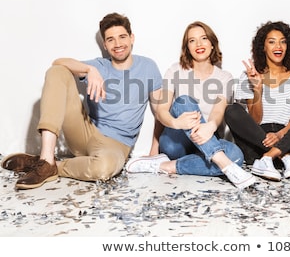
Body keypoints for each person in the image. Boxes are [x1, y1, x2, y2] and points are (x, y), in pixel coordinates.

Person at [1, 13, 163, 189]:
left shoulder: (148, 67)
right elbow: (57, 62)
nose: (117, 44)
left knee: (103, 169)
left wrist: (154, 150)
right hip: (85, 132)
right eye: (110, 39)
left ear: (132, 38)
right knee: (57, 71)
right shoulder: (99, 65)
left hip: (117, 144)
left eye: (122, 37)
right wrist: (89, 70)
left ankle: (49, 166)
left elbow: (160, 111)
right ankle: (46, 158)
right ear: (105, 45)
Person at [125, 21, 256, 190]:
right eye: (192, 40)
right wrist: (170, 129)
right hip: (176, 141)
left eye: (203, 38)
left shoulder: (225, 77)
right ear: (187, 47)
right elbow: (161, 111)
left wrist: (211, 126)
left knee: (236, 156)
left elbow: (218, 109)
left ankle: (166, 166)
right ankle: (222, 163)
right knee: (185, 101)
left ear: (212, 44)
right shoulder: (175, 71)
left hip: (207, 138)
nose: (199, 44)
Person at [224, 21, 290, 181]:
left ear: (288, 46)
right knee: (232, 110)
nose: (278, 46)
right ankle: (281, 156)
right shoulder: (249, 76)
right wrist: (257, 89)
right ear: (263, 47)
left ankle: (274, 155)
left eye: (283, 41)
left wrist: (279, 136)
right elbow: (254, 120)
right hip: (258, 147)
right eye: (271, 42)